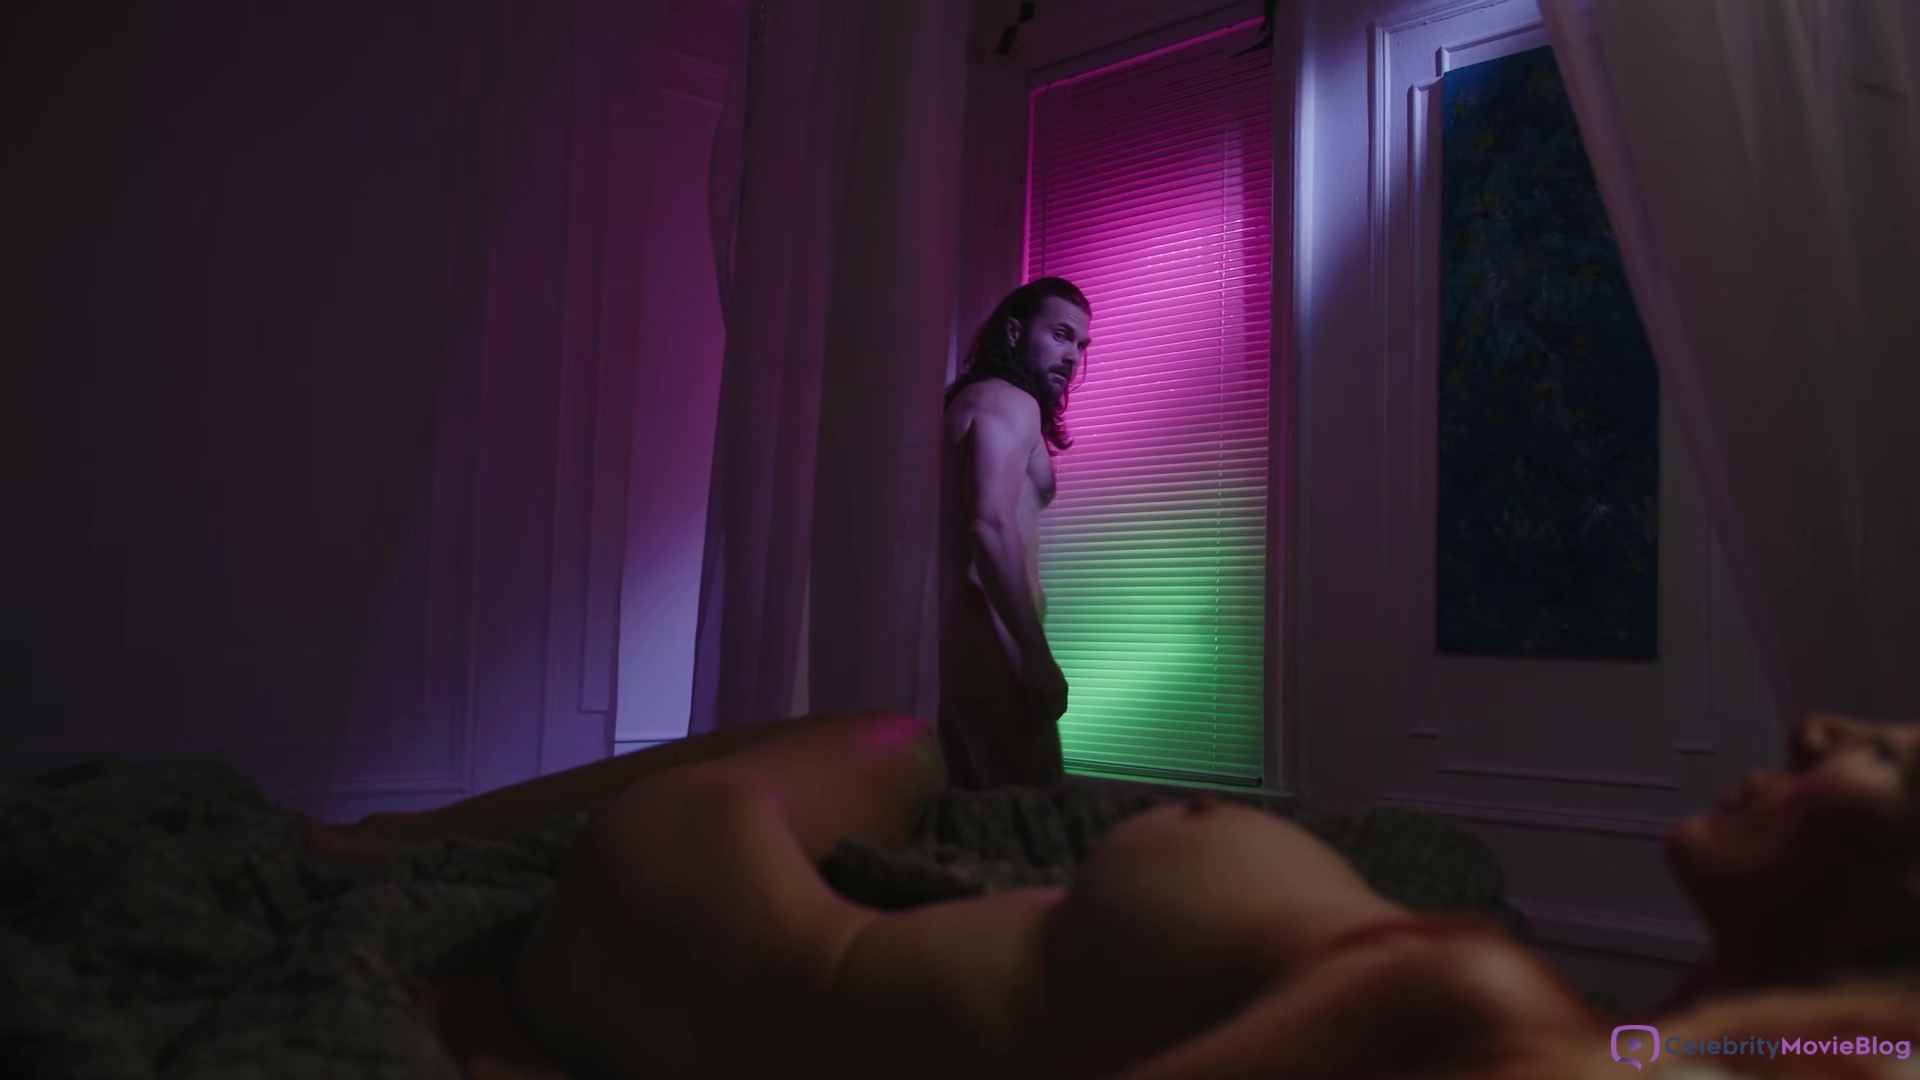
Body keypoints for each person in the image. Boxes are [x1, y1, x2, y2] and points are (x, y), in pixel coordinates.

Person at [307, 711, 1920, 1079]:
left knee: (871, 741)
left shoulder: (1476, 1016)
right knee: (902, 745)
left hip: (718, 943)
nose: (1819, 725)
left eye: (1892, 764)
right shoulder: (1655, 1047)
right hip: (752, 944)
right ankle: (402, 834)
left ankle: (392, 843)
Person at [938, 277, 1092, 789]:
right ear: (1013, 332)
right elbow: (990, 524)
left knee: (981, 814)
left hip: (978, 640)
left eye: (1080, 345)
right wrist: (1034, 654)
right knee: (1028, 814)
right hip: (995, 640)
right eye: (1060, 335)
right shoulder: (1008, 402)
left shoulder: (979, 400)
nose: (1072, 357)